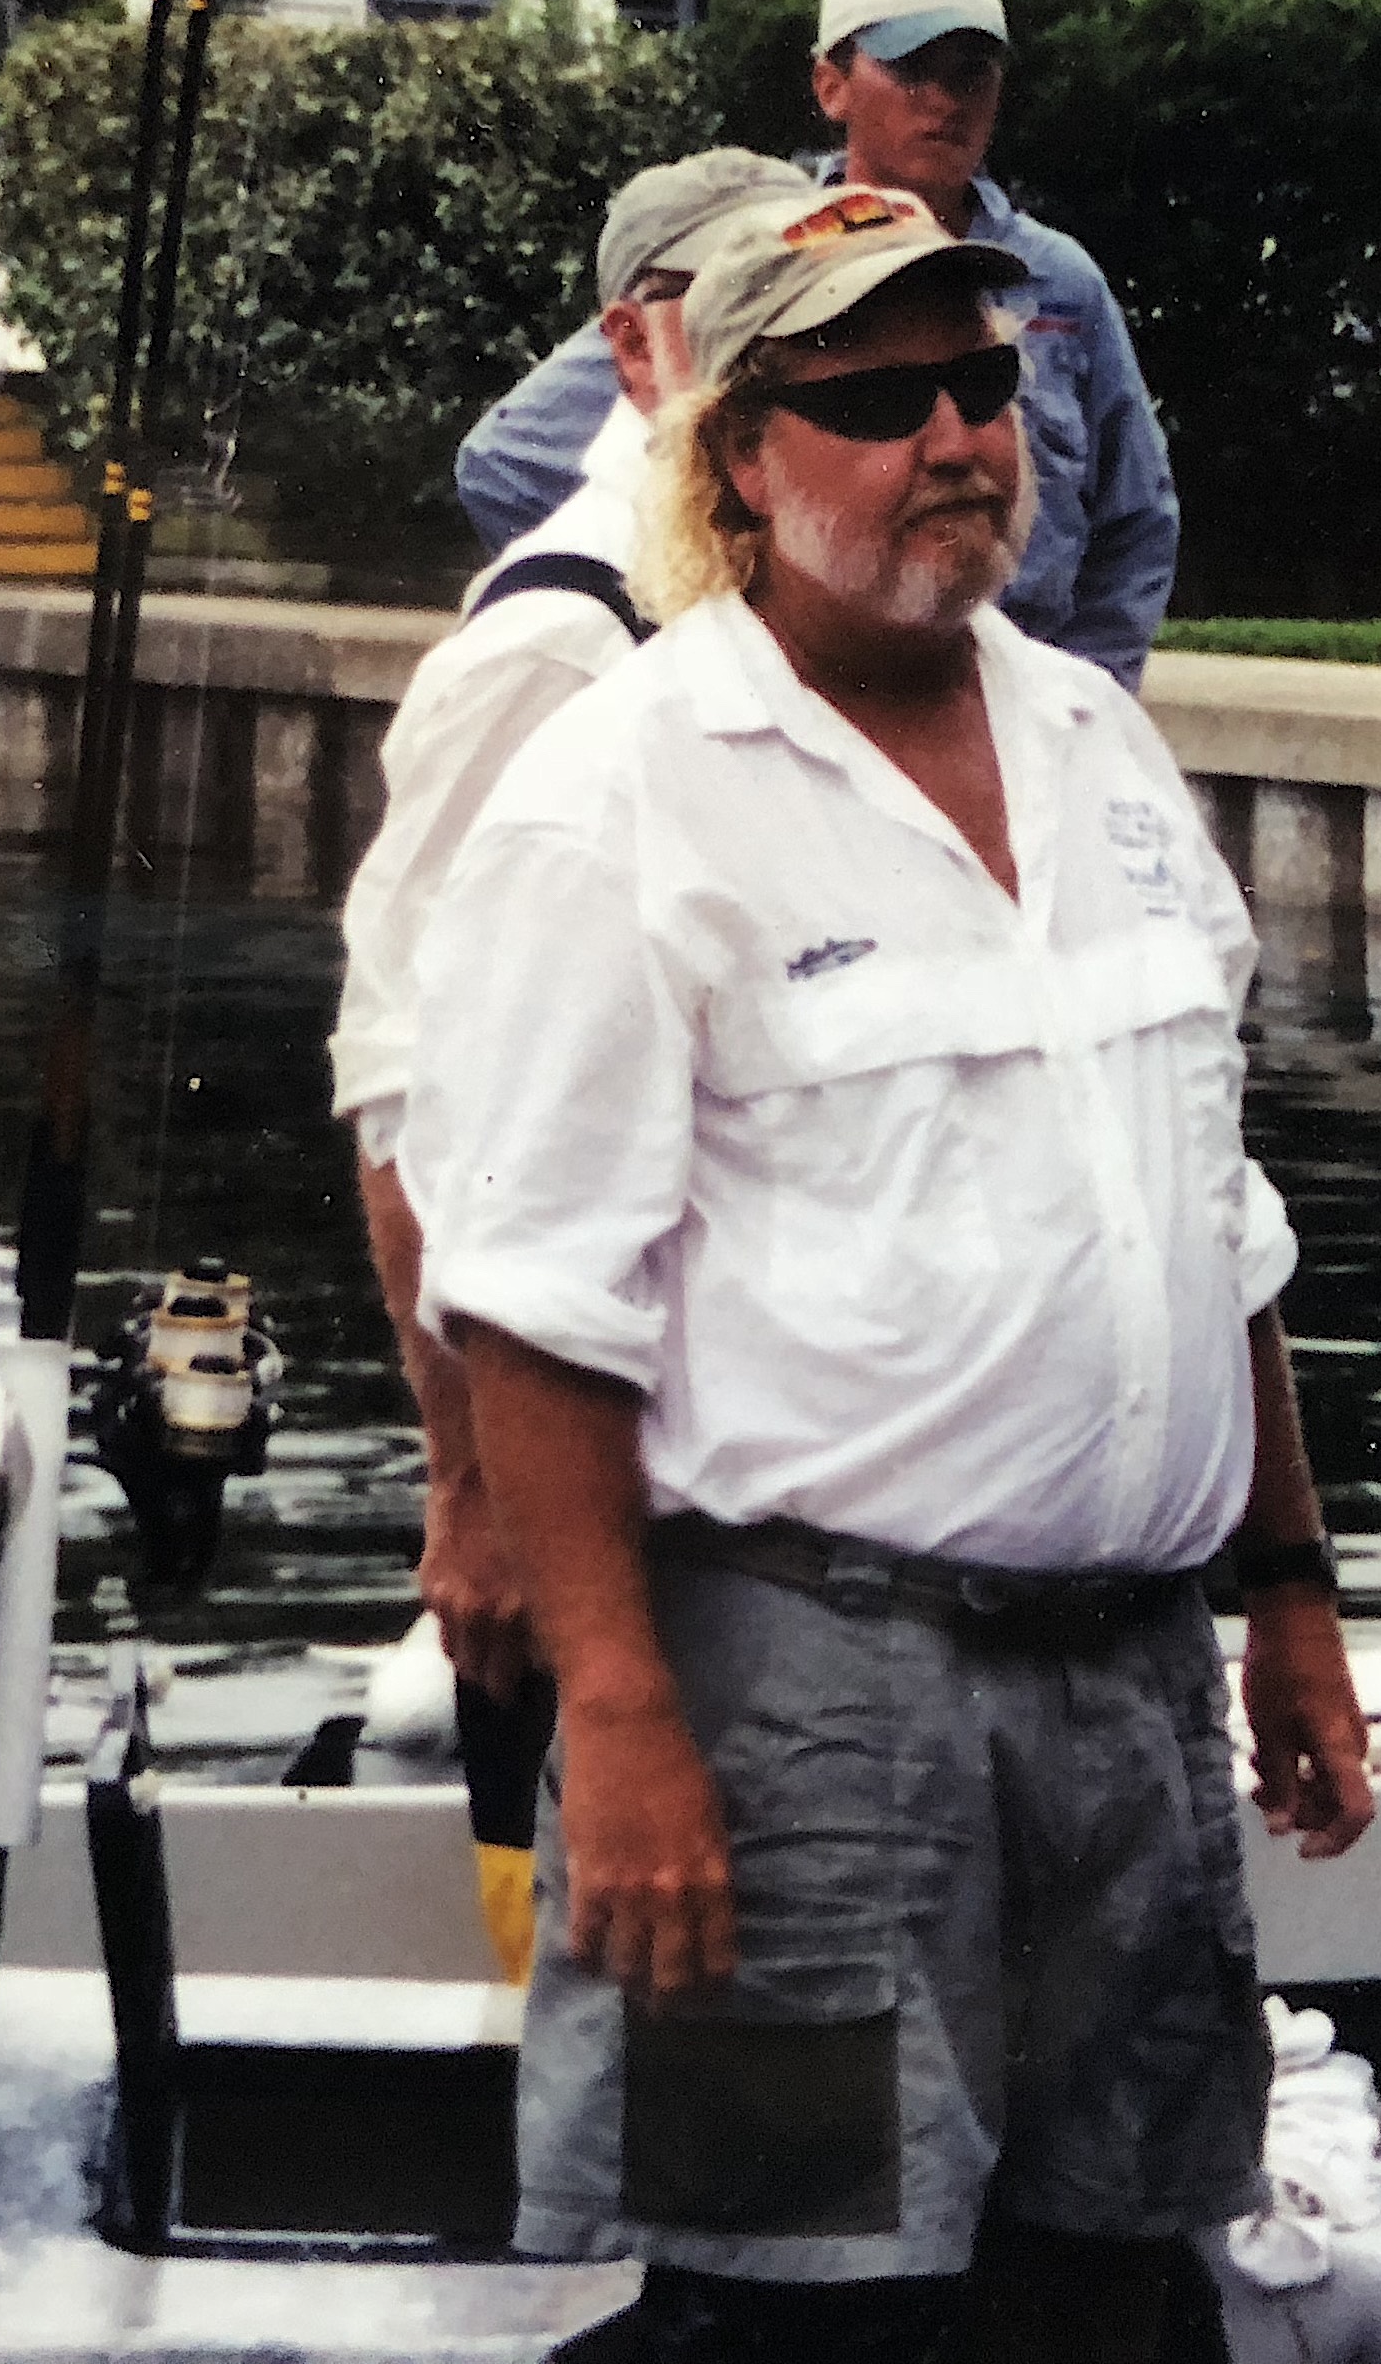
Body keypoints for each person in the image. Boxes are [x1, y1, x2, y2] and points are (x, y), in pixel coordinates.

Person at [406, 179, 1373, 2364]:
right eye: (873, 399)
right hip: (794, 1705)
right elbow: (529, 1303)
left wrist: (1292, 1592)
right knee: (792, 2308)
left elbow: (1218, 1217)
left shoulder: (1100, 742)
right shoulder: (617, 797)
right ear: (736, 457)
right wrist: (625, 1726)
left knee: (1121, 2285)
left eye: (982, 383)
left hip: (1132, 1695)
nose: (957, 437)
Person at [336, 145, 804, 1979]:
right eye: (746, 307)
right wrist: (469, 1499)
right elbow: (403, 1093)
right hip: (612, 1499)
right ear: (640, 347)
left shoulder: (781, 607)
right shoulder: (552, 640)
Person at [453, 0, 1183, 685]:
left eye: (973, 71)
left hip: (1011, 709)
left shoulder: (1059, 281)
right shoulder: (758, 258)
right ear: (831, 87)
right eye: (910, 68)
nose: (945, 98)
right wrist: (679, 597)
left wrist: (1084, 700)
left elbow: (1138, 523)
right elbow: (508, 462)